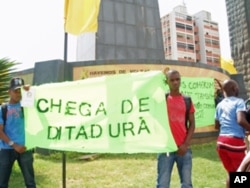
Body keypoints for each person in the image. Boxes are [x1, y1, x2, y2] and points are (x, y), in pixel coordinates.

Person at [156, 70, 195, 188]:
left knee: (187, 184)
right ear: (167, 82)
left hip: (183, 149)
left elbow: (192, 123)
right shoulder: (161, 100)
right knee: (162, 184)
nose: (175, 82)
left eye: (177, 79)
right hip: (165, 148)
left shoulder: (187, 100)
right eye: (172, 80)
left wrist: (185, 144)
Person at [0, 77, 36, 188]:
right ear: (9, 91)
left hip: (25, 148)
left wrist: (29, 90)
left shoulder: (27, 106)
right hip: (7, 149)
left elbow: (39, 101)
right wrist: (14, 145)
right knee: (2, 183)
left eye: (20, 91)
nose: (18, 93)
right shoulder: (3, 108)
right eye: (15, 90)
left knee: (30, 183)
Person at [215, 79, 250, 187]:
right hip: (234, 142)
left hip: (221, 142)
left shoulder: (219, 105)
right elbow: (241, 120)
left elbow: (217, 125)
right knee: (242, 173)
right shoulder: (239, 102)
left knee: (231, 173)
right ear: (235, 89)